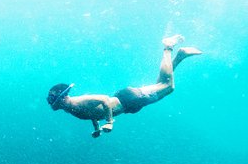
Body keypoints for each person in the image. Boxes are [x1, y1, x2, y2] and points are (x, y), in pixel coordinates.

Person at [47, 35, 202, 138]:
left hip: (129, 99)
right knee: (160, 85)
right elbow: (92, 113)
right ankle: (179, 57)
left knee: (168, 86)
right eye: (58, 104)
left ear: (66, 96)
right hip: (128, 102)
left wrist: (109, 122)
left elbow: (105, 100)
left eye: (60, 101)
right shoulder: (71, 109)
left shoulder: (78, 101)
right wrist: (97, 128)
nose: (60, 104)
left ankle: (168, 47)